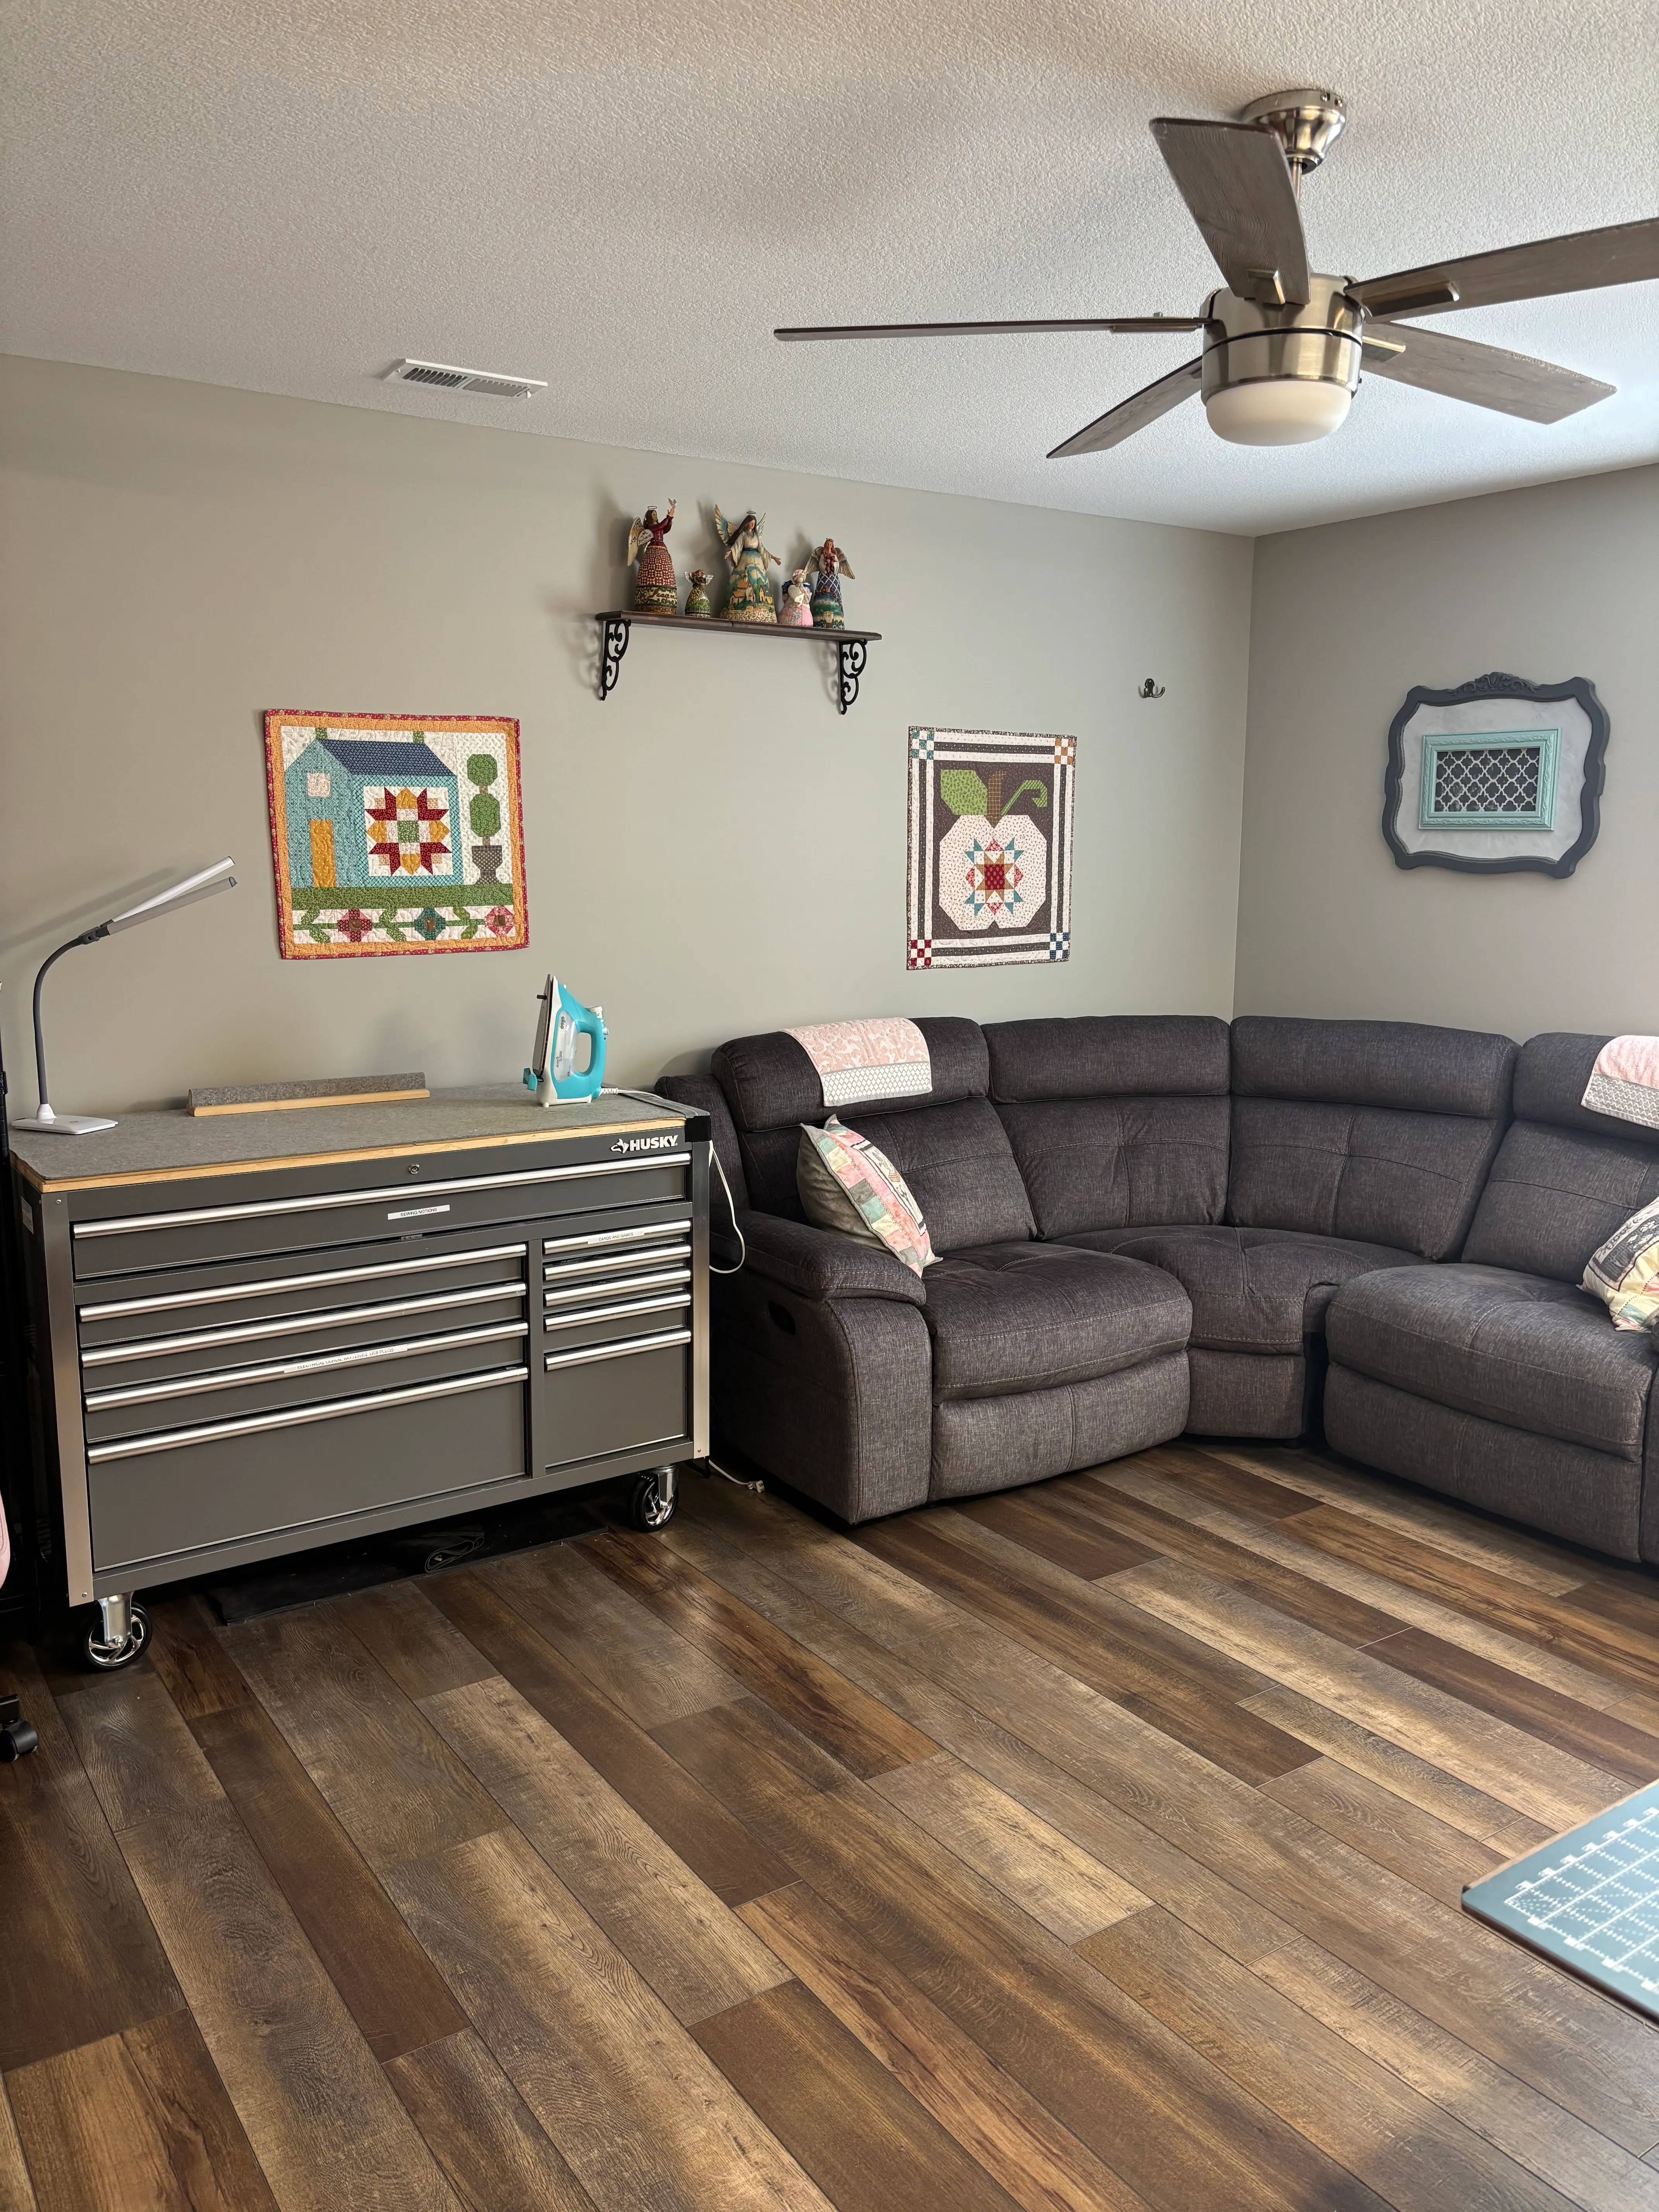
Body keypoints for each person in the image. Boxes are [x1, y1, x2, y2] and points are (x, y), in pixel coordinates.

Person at [714, 507, 780, 623]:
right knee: (741, 580)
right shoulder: (743, 535)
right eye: (751, 523)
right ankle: (737, 609)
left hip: (758, 561)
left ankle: (763, 610)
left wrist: (773, 558)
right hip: (745, 559)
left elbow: (763, 550)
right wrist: (730, 552)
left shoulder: (756, 537)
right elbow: (737, 546)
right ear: (747, 523)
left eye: (754, 523)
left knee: (759, 581)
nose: (753, 525)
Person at [628, 500, 677, 613]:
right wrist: (668, 518)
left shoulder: (659, 527)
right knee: (652, 572)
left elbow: (666, 528)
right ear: (650, 517)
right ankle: (648, 604)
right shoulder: (651, 527)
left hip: (662, 550)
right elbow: (660, 527)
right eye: (654, 514)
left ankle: (667, 605)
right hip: (653, 550)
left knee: (665, 573)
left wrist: (670, 519)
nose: (656, 516)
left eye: (656, 514)